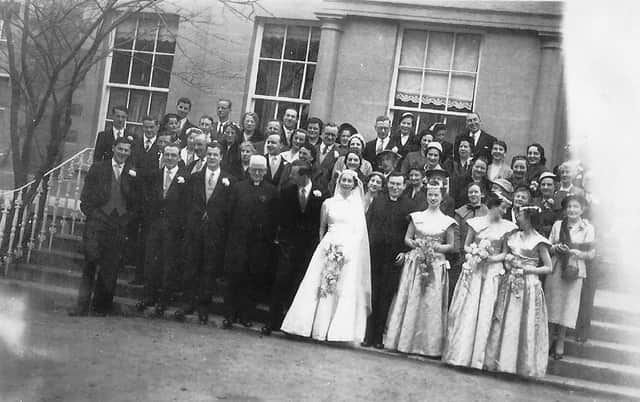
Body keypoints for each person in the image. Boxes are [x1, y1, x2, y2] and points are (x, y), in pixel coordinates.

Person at [281, 169, 371, 342]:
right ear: (339, 181)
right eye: (343, 180)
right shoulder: (328, 203)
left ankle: (336, 332)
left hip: (347, 251)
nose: (346, 183)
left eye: (349, 181)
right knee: (317, 284)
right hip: (327, 247)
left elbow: (359, 233)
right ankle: (305, 327)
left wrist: (347, 250)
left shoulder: (357, 206)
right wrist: (325, 246)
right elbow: (322, 227)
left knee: (340, 287)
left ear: (354, 185)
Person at [443, 192, 516, 368]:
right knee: (469, 309)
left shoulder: (507, 227)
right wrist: (475, 252)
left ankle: (481, 359)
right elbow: (466, 245)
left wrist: (492, 259)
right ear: (492, 206)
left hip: (492, 271)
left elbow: (506, 252)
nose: (505, 212)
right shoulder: (475, 224)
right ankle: (461, 355)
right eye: (502, 207)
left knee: (486, 310)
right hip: (475, 269)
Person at [384, 181, 457, 357]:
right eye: (430, 195)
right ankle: (405, 341)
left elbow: (451, 245)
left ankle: (429, 346)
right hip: (416, 262)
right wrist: (416, 244)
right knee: (412, 298)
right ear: (427, 196)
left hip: (435, 263)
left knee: (430, 302)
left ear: (441, 197)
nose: (433, 198)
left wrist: (435, 247)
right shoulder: (416, 216)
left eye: (436, 195)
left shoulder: (447, 221)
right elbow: (407, 239)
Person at [70, 137, 140, 316]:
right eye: (120, 149)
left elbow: (136, 202)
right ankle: (81, 305)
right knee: (91, 262)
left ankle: (101, 307)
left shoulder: (133, 172)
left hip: (119, 223)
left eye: (126, 150)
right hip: (98, 221)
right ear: (113, 148)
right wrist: (94, 214)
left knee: (110, 267)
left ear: (130, 152)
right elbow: (86, 196)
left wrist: (127, 219)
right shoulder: (98, 168)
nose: (123, 153)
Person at [484, 205, 553, 378]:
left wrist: (528, 270)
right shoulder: (513, 237)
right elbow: (507, 258)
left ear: (529, 218)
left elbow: (548, 268)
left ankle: (521, 365)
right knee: (507, 319)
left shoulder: (539, 241)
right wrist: (509, 263)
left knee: (524, 321)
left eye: (520, 215)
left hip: (529, 284)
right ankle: (502, 362)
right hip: (511, 280)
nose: (517, 217)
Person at [262, 160, 328, 335]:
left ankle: (292, 324)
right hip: (288, 246)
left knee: (300, 285)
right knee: (280, 282)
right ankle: (272, 321)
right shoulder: (287, 192)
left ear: (304, 175)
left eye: (294, 174)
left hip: (309, 248)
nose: (290, 177)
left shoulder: (322, 193)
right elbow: (279, 217)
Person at [178, 142, 235, 323]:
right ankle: (188, 303)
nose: (211, 158)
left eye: (215, 155)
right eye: (209, 154)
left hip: (214, 232)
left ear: (221, 157)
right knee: (191, 267)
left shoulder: (229, 180)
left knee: (209, 270)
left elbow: (229, 209)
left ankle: (204, 306)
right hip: (195, 230)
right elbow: (187, 203)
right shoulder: (195, 177)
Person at [223, 155, 278, 329]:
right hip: (238, 242)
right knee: (234, 278)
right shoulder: (238, 188)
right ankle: (230, 314)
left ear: (265, 172)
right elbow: (229, 214)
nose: (257, 173)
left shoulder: (271, 191)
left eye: (261, 170)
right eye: (254, 169)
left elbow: (273, 220)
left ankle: (246, 315)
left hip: (258, 245)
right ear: (249, 170)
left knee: (251, 280)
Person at [363, 172, 415, 349]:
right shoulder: (378, 200)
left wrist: (405, 252)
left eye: (398, 184)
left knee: (386, 296)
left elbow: (412, 232)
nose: (395, 187)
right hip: (375, 255)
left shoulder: (409, 205)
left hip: (394, 258)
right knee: (373, 294)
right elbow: (368, 225)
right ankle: (367, 335)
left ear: (404, 186)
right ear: (388, 184)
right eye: (392, 183)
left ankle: (378, 337)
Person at [135, 144, 188, 316]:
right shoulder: (155, 176)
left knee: (169, 263)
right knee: (151, 261)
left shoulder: (186, 177)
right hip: (155, 225)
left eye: (174, 155)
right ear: (163, 156)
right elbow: (147, 198)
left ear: (179, 157)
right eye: (167, 155)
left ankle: (164, 299)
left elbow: (188, 204)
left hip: (173, 228)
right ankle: (148, 296)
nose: (170, 158)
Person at [545, 195, 596, 359]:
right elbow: (547, 247)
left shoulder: (587, 228)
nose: (572, 210)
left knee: (568, 307)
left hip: (574, 269)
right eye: (569, 207)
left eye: (576, 207)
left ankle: (560, 341)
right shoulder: (558, 225)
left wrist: (578, 253)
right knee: (552, 304)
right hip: (556, 267)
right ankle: (547, 340)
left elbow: (592, 253)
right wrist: (556, 247)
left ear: (582, 210)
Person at [129, 115, 162, 286]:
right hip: (135, 198)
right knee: (132, 235)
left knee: (147, 239)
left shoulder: (160, 147)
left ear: (157, 127)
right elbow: (130, 167)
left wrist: (139, 174)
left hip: (152, 200)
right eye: (145, 128)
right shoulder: (135, 144)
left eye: (151, 127)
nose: (148, 131)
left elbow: (158, 173)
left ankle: (142, 275)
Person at [450, 182, 489, 301]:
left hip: (481, 254)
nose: (473, 194)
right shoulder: (460, 212)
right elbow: (455, 232)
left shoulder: (488, 212)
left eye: (476, 192)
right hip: (462, 253)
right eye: (470, 192)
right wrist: (458, 251)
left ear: (481, 194)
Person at [535, 171, 559, 237]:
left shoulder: (559, 203)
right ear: (539, 187)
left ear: (555, 187)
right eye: (543, 185)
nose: (546, 187)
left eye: (549, 185)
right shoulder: (534, 202)